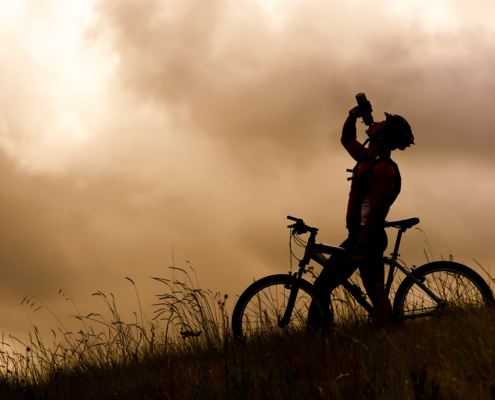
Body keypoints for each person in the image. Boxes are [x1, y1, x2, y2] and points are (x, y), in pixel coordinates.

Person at [308, 101, 414, 330]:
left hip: (369, 237)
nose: (375, 122)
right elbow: (347, 139)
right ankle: (326, 334)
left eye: (381, 124)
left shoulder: (383, 168)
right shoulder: (367, 158)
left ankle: (382, 336)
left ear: (383, 137)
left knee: (368, 290)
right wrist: (352, 115)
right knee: (360, 289)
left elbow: (377, 209)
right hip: (361, 236)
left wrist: (363, 243)